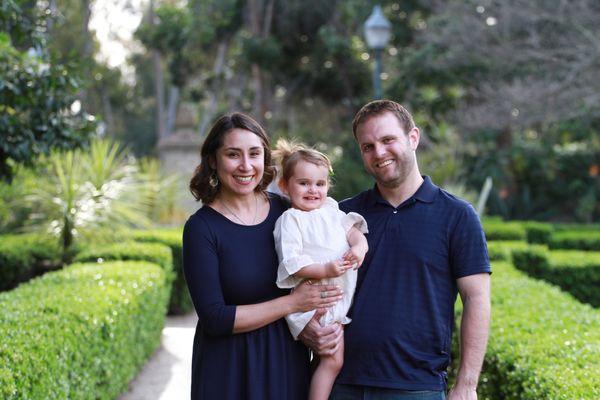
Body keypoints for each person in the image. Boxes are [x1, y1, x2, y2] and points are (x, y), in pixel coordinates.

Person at [299, 100, 491, 400]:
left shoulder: (457, 216)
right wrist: (307, 328)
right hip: (340, 383)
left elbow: (476, 298)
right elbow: (303, 279)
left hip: (418, 387)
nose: (379, 153)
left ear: (413, 138)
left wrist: (466, 385)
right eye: (368, 146)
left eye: (388, 140)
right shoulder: (340, 215)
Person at [182, 112, 344, 400]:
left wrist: (314, 327)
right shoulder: (202, 228)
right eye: (233, 154)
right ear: (213, 160)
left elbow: (330, 248)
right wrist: (291, 303)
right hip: (229, 371)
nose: (246, 165)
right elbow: (215, 318)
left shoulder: (288, 212)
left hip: (285, 363)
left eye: (254, 154)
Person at [272, 139, 369, 400]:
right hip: (314, 301)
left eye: (320, 184)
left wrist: (360, 249)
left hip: (335, 299)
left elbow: (355, 233)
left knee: (326, 359)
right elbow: (293, 262)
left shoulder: (331, 210)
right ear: (285, 186)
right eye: (303, 183)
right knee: (332, 361)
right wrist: (326, 268)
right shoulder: (290, 220)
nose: (313, 190)